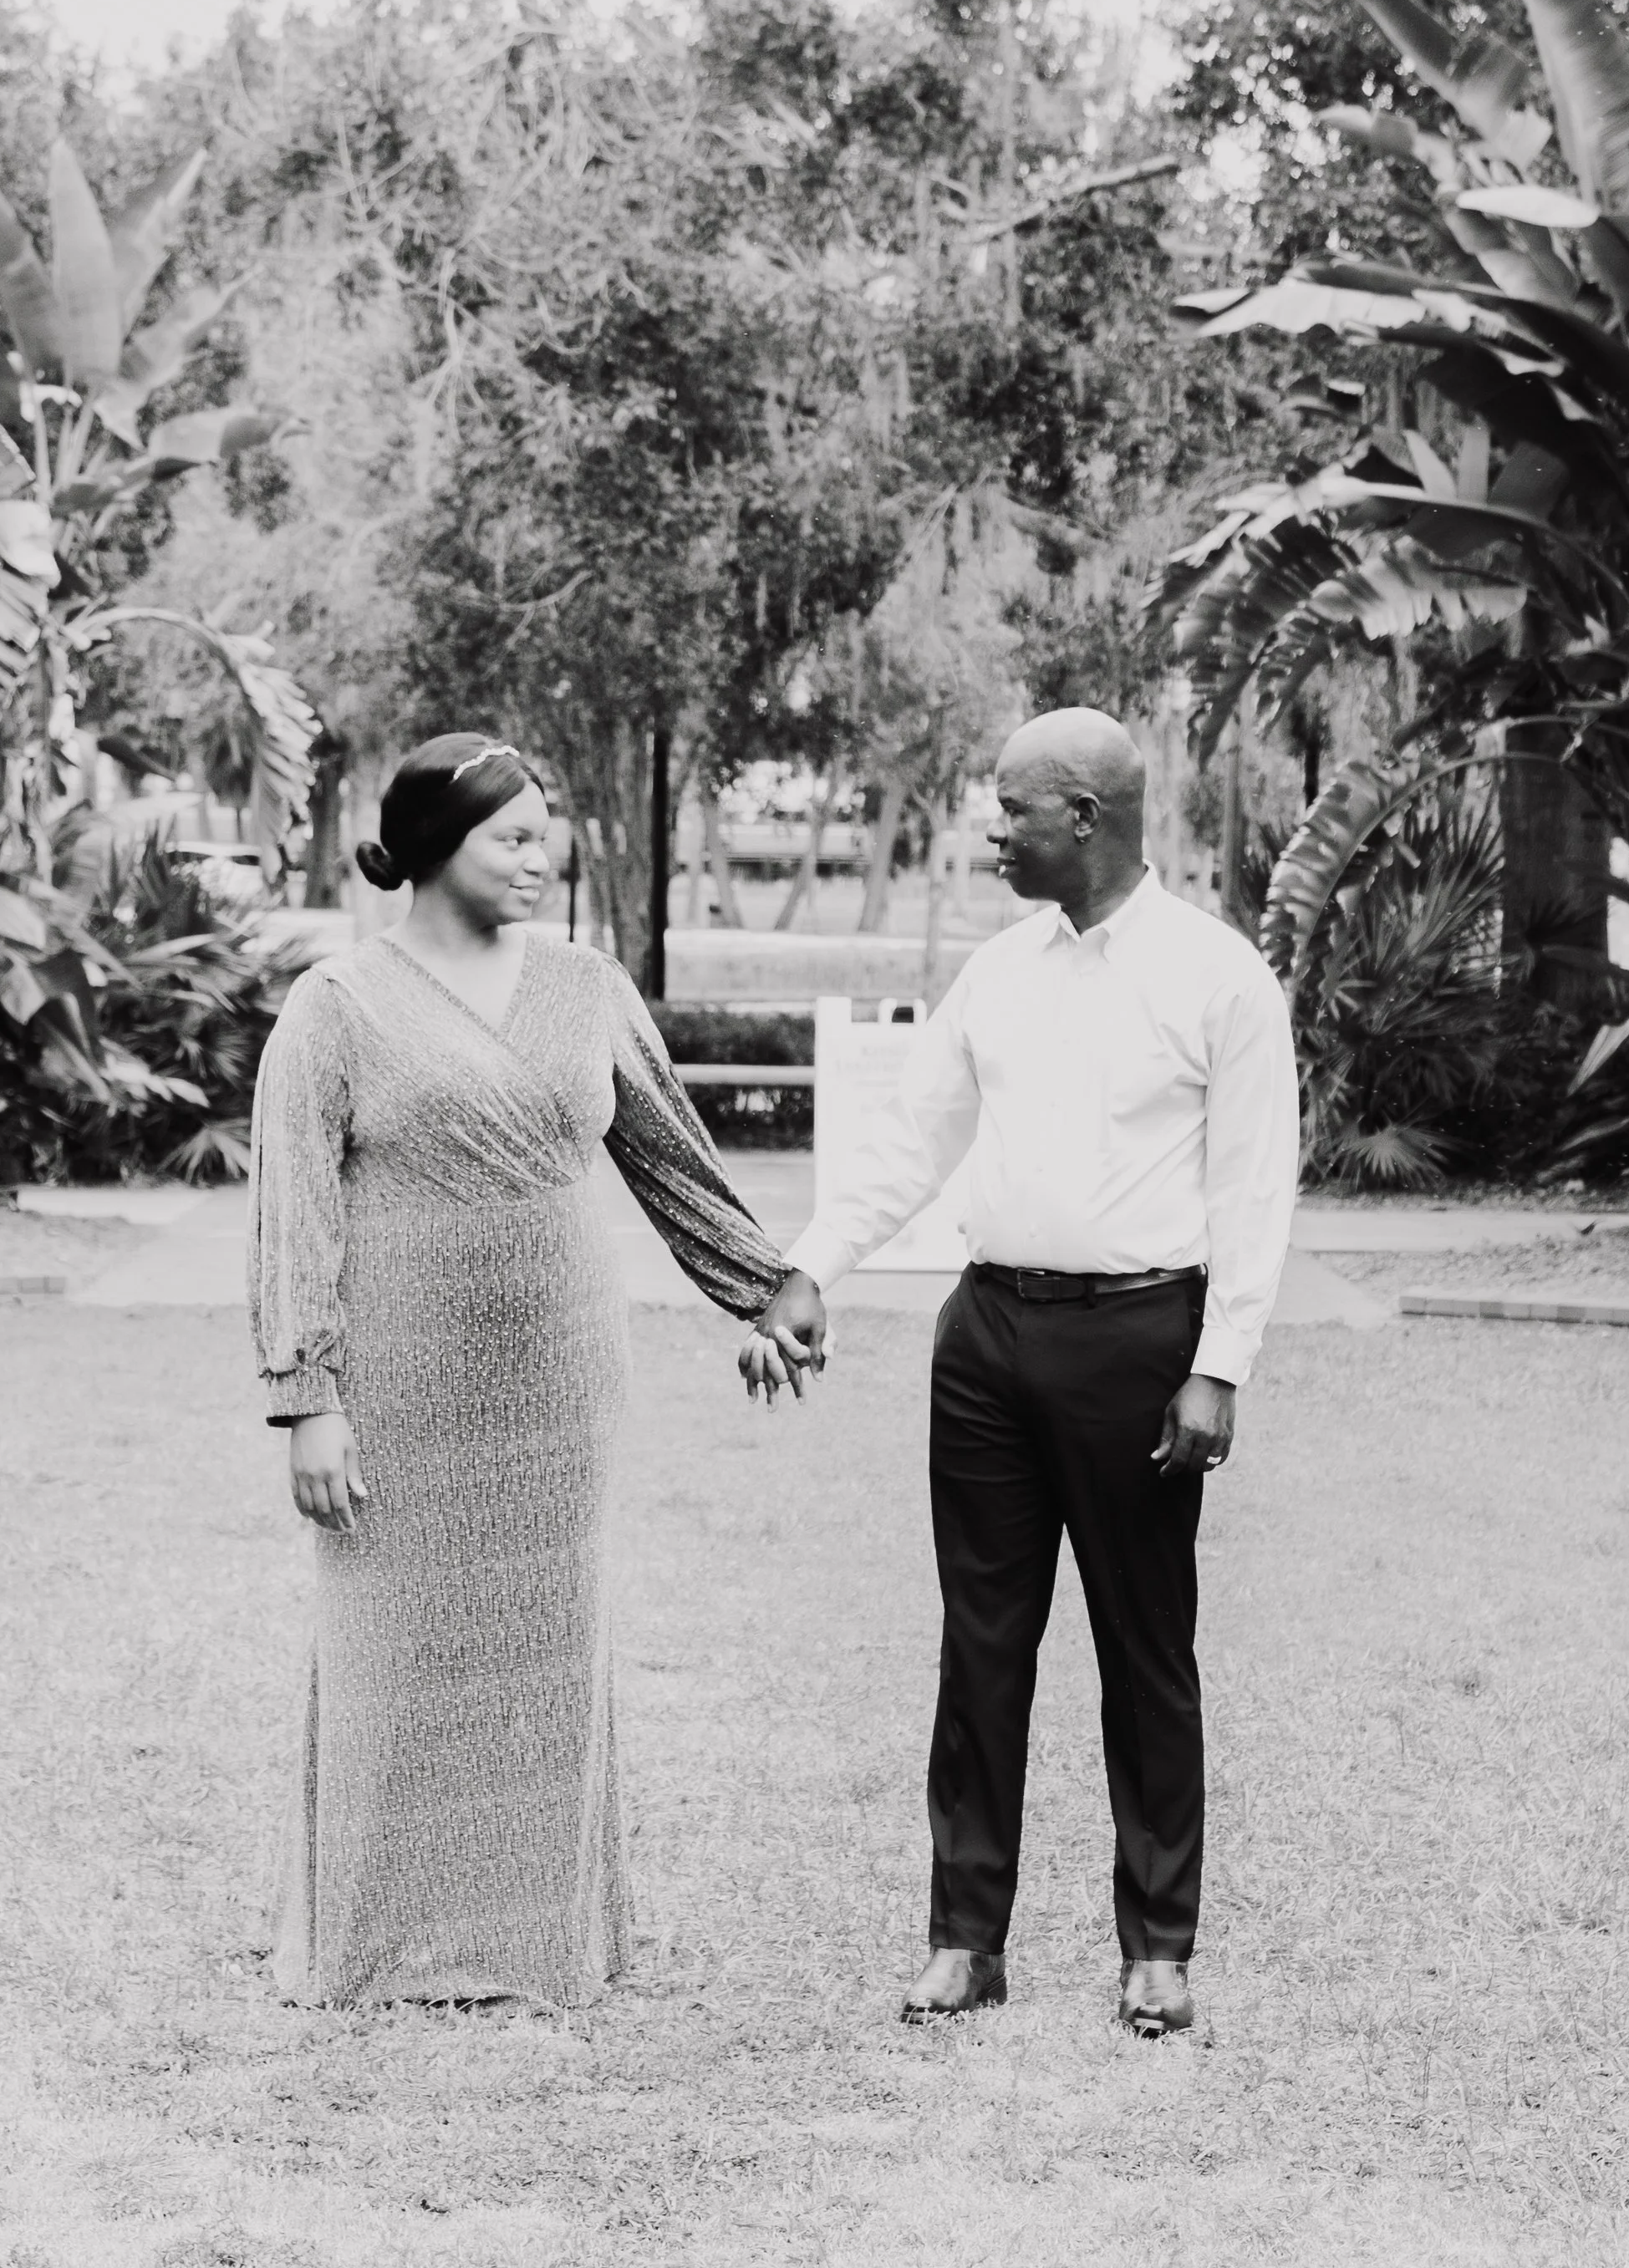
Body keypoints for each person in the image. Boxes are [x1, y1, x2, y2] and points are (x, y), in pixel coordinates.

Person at [744, 707, 1298, 2037]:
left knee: (1144, 1650)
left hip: (1139, 1341)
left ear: (1086, 818)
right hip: (986, 1337)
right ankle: (964, 1940)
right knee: (981, 1642)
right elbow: (911, 1142)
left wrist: (1218, 1367)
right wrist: (813, 1267)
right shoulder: (998, 973)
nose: (992, 831)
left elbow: (1253, 1188)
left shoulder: (1219, 979)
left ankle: (1157, 1948)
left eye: (1013, 810)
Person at [249, 733, 817, 2009]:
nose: (538, 858)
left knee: (549, 1649)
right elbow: (297, 1213)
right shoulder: (338, 1005)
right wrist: (307, 1399)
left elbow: (671, 1158)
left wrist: (767, 1284)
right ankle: (382, 1943)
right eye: (511, 836)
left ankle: (533, 1941)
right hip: (400, 1378)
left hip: (564, 1373)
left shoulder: (585, 986)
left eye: (544, 836)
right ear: (434, 846)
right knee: (394, 1648)